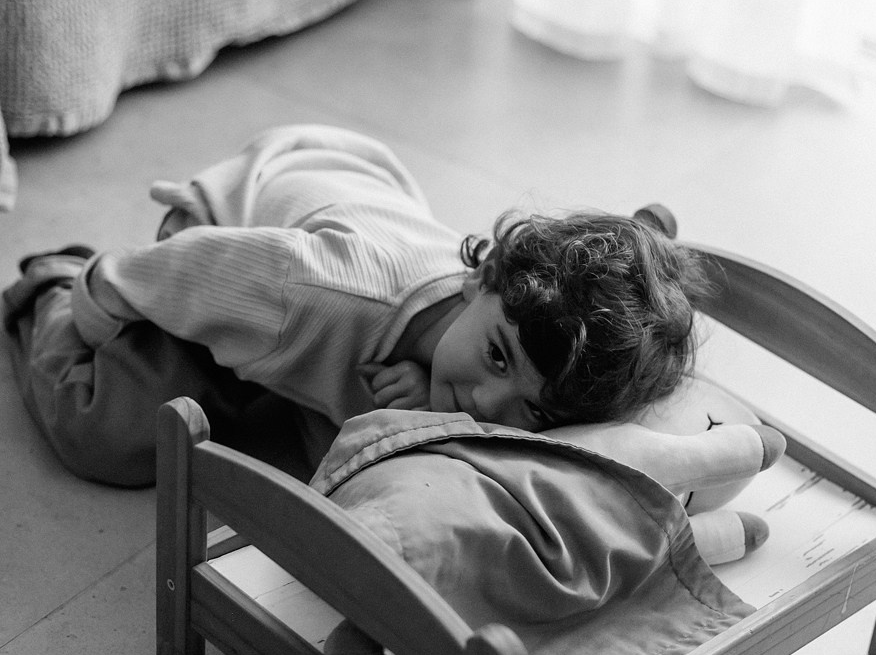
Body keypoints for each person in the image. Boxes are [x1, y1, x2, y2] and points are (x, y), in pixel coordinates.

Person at [3, 124, 709, 487]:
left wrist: (427, 407)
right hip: (227, 230)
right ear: (480, 277)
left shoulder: (503, 324)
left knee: (316, 441)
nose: (490, 405)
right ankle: (51, 284)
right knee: (107, 432)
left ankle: (643, 233)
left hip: (356, 190)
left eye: (536, 411)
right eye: (497, 355)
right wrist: (97, 298)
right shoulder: (309, 291)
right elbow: (184, 269)